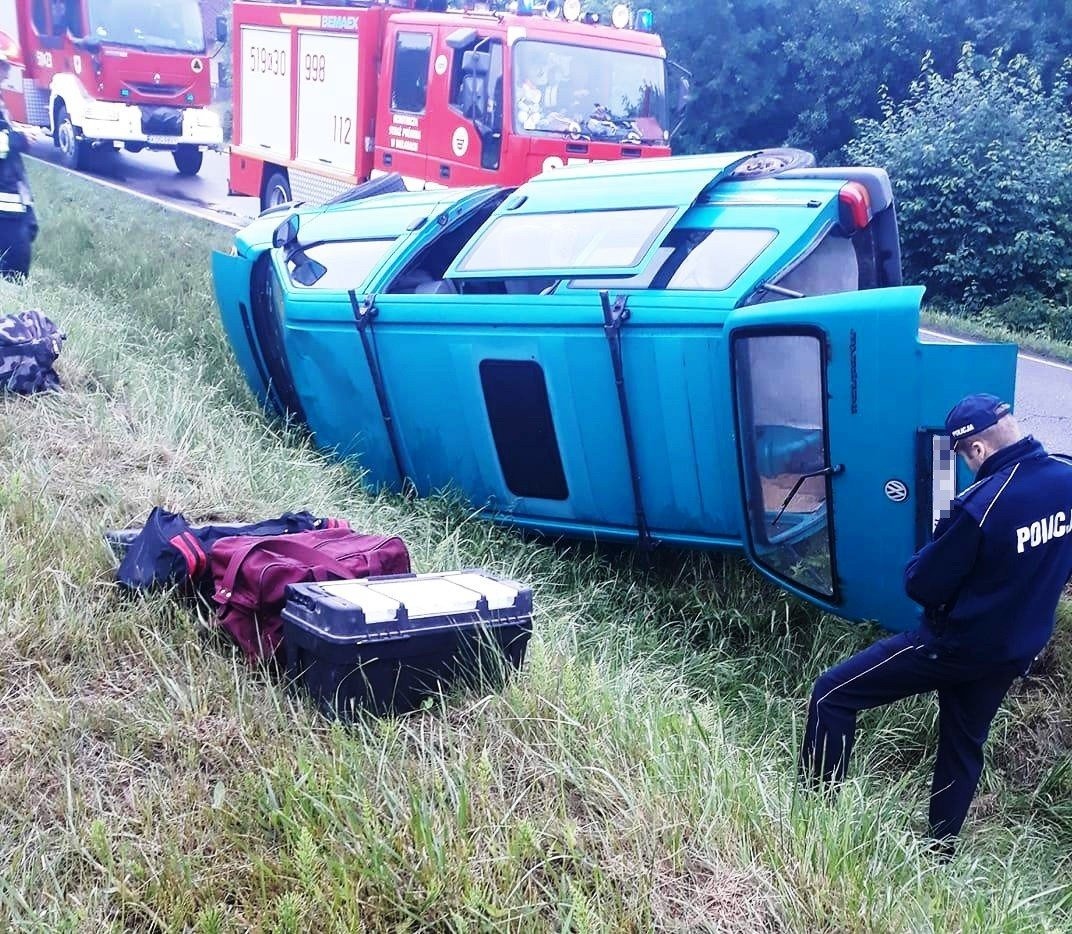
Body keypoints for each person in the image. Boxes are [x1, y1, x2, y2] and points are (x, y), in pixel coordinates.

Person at [800, 393, 1072, 852]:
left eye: (966, 458)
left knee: (832, 694)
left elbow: (920, 584)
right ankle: (938, 853)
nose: (968, 467)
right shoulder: (1066, 479)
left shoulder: (982, 504)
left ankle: (810, 821)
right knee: (963, 745)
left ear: (978, 450)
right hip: (1012, 651)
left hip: (954, 647)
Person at [0, 51, 36, 279]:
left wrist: (18, 134)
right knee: (13, 268)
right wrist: (20, 139)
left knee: (17, 259)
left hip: (12, 202)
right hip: (5, 207)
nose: (6, 74)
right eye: (3, 67)